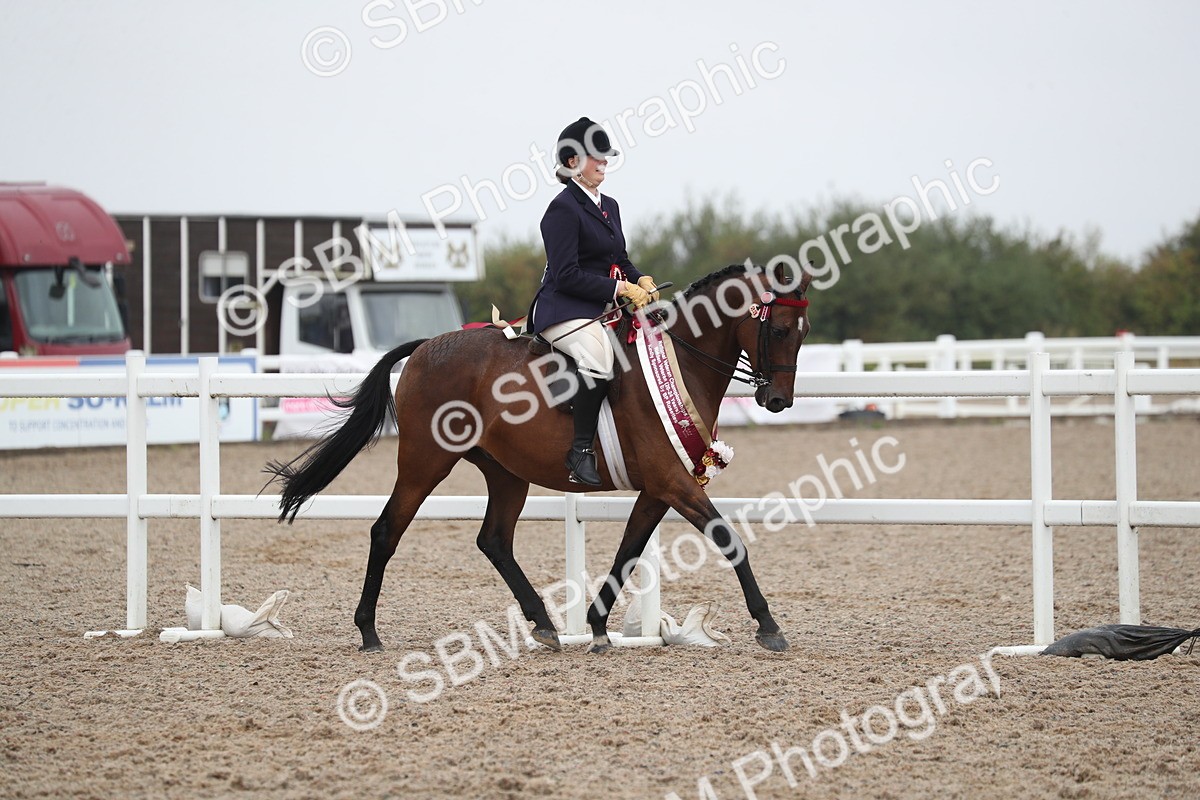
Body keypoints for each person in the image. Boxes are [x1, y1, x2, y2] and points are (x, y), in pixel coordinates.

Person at [528, 117, 659, 486]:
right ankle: (580, 451)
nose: (604, 162)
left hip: (598, 308)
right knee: (601, 359)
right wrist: (619, 291)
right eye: (595, 157)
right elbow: (566, 274)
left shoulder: (610, 205)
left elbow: (620, 257)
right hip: (561, 309)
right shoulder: (562, 209)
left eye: (606, 156)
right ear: (572, 162)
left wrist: (639, 279)